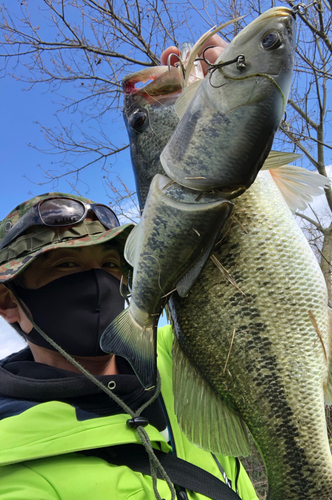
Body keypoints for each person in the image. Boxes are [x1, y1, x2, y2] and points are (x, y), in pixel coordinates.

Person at [0, 191, 259, 500]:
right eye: (67, 264)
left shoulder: (181, 354)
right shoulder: (13, 458)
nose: (98, 280)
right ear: (8, 301)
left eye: (110, 263)